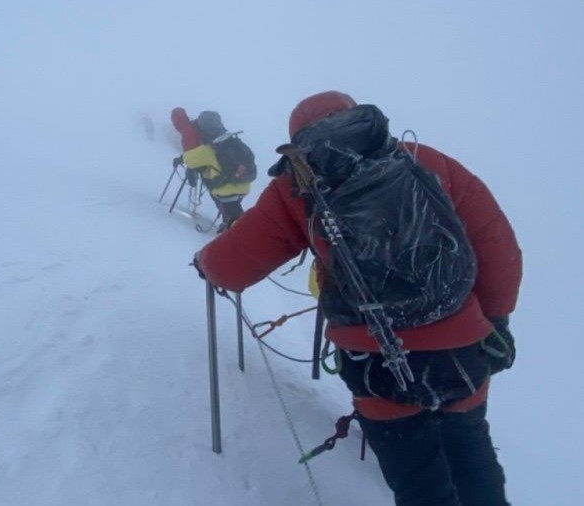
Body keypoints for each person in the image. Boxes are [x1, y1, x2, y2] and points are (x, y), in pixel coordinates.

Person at [194, 91, 522, 506]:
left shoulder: (297, 184)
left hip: (377, 362)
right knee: (472, 453)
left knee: (420, 482)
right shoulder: (425, 160)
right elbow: (497, 244)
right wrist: (496, 320)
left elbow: (230, 268)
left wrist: (206, 262)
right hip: (462, 350)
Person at [170, 107, 251, 231]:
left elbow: (190, 158)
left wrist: (184, 163)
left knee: (222, 198)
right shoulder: (229, 141)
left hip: (221, 181)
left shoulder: (195, 137)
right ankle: (236, 225)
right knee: (232, 205)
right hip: (243, 182)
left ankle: (235, 229)